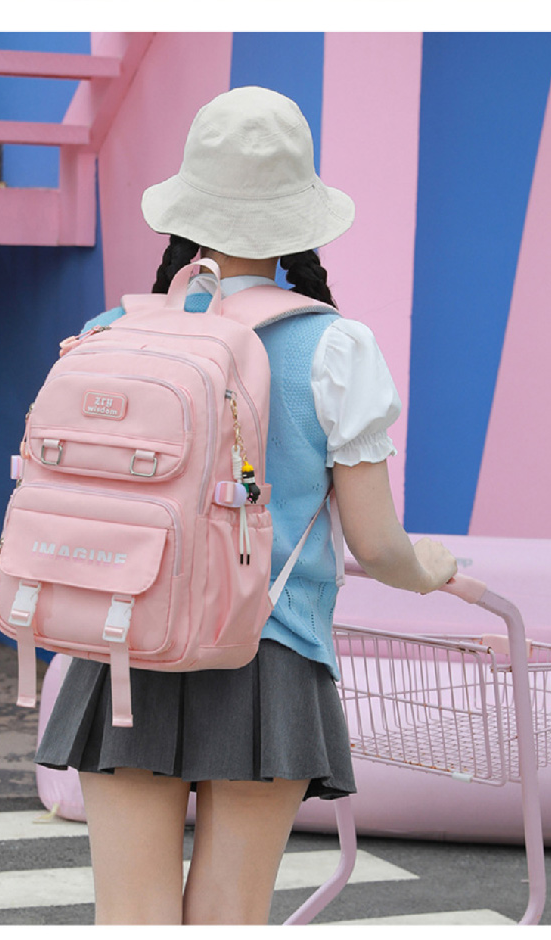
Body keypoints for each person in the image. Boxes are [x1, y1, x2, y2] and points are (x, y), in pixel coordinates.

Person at [35, 86, 457, 925]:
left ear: (187, 209)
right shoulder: (336, 347)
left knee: (131, 917)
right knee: (231, 914)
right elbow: (376, 544)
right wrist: (429, 570)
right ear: (300, 218)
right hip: (267, 654)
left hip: (125, 642)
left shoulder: (113, 330)